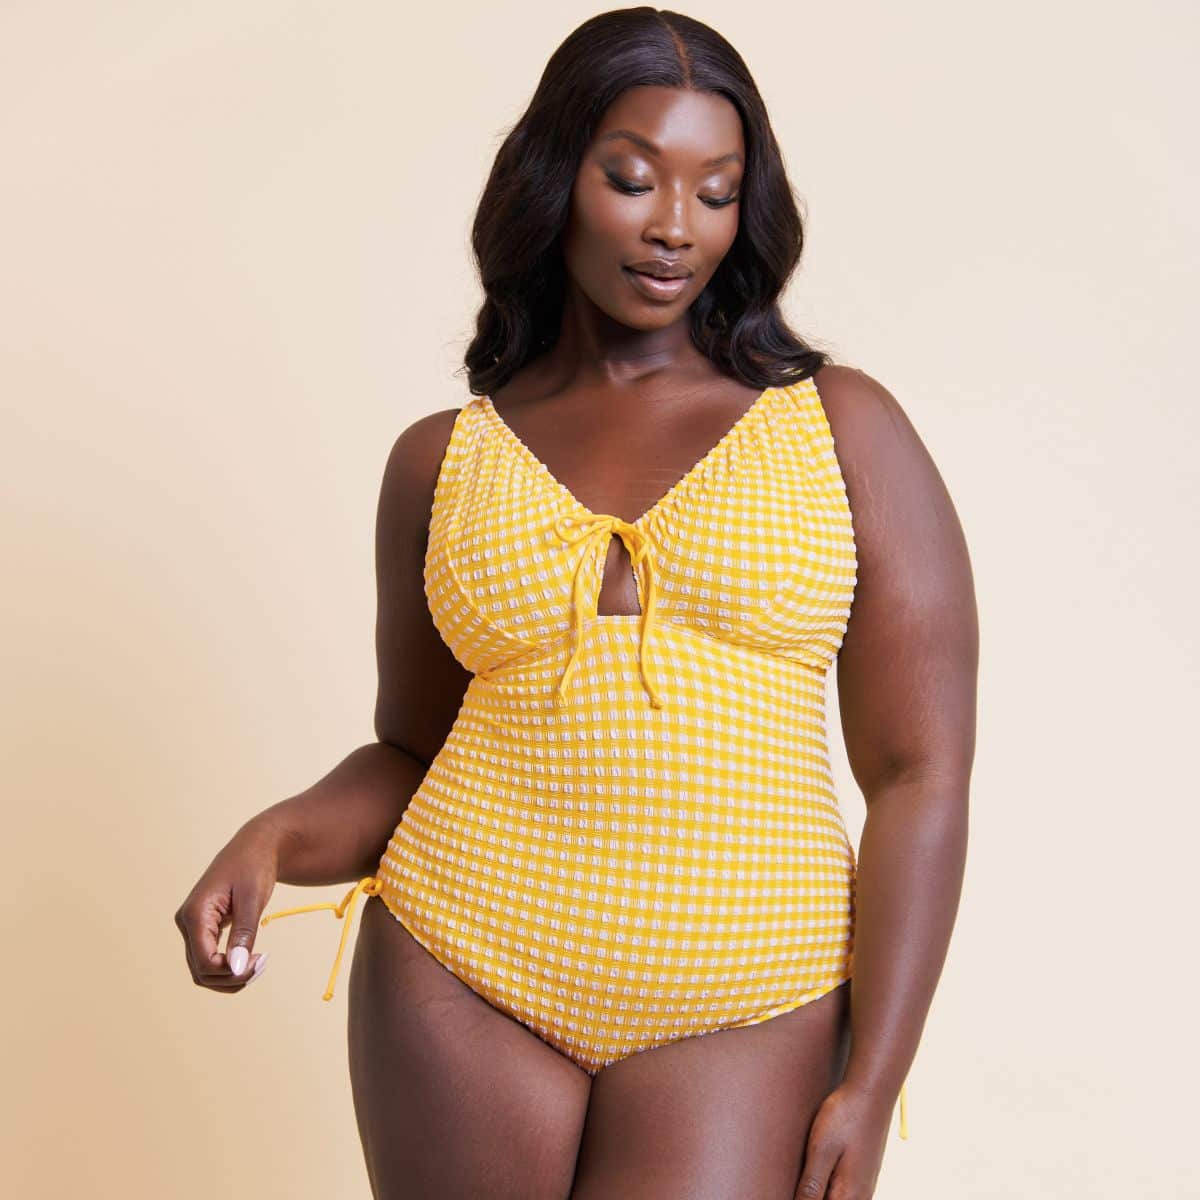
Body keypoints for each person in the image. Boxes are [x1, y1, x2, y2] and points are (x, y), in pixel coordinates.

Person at [174, 9, 977, 1198]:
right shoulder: (443, 459)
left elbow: (919, 772)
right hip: (462, 961)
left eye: (716, 191)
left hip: (751, 993)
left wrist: (876, 1076)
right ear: (557, 178)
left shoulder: (839, 426)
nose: (674, 225)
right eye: (634, 179)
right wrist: (273, 840)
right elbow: (411, 752)